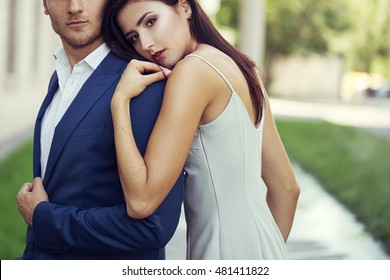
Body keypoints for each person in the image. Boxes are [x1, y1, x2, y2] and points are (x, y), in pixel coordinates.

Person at [103, 0, 300, 260]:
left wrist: (119, 102)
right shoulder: (244, 67)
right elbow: (287, 189)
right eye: (134, 37)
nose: (145, 44)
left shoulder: (192, 71)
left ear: (185, 7)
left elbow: (141, 201)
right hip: (267, 246)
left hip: (222, 251)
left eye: (151, 22)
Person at [16, 0, 184, 260]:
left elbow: (151, 228)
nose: (74, 6)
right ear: (45, 5)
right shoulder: (59, 78)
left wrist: (43, 218)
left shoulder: (144, 81)